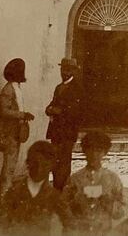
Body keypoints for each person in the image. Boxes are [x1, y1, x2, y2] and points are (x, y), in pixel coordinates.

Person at [60, 131, 124, 235]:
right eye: (90, 149)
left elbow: (119, 213)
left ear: (105, 152)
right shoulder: (75, 179)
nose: (94, 154)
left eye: (99, 150)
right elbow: (63, 208)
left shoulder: (112, 179)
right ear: (84, 151)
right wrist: (76, 201)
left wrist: (109, 203)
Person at [0, 140, 60, 236]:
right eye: (35, 164)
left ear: (52, 166)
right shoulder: (13, 193)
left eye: (44, 165)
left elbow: (70, 226)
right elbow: (3, 228)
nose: (39, 170)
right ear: (27, 163)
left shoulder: (55, 197)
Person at [0, 58, 35, 199]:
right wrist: (22, 114)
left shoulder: (16, 87)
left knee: (11, 165)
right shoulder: (8, 89)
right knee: (9, 166)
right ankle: (3, 197)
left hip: (16, 131)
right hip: (9, 132)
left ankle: (5, 196)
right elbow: (4, 111)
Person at [45, 57, 83, 191]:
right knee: (55, 160)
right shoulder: (58, 87)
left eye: (67, 70)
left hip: (67, 131)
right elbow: (53, 104)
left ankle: (62, 190)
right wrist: (49, 109)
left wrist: (56, 110)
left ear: (73, 71)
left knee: (64, 161)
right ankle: (56, 187)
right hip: (56, 131)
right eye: (62, 69)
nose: (64, 72)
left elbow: (74, 111)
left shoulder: (77, 88)